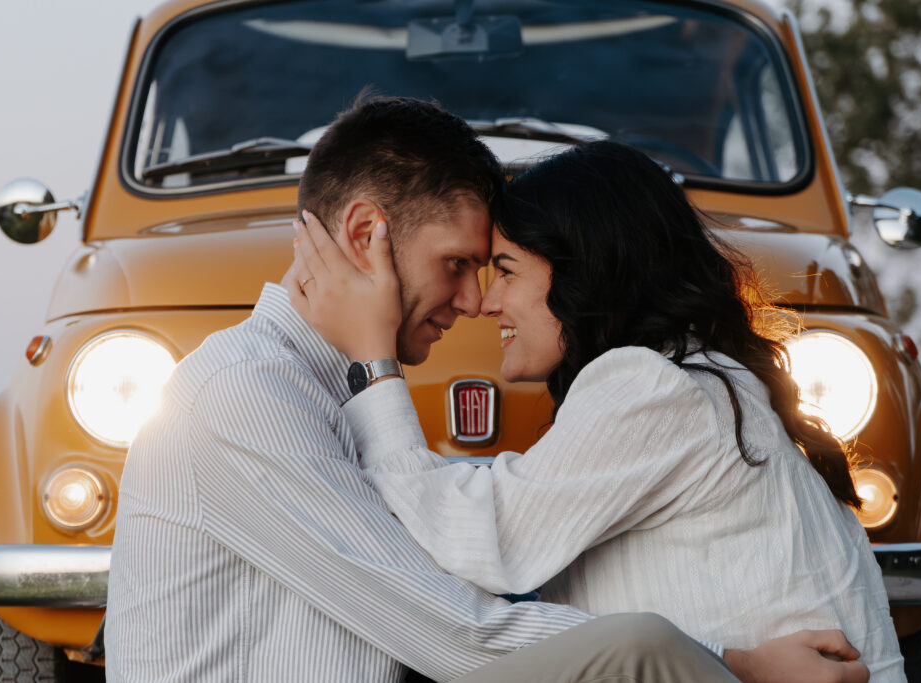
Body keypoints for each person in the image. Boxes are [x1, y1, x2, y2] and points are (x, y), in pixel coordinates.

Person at [106, 96, 868, 683]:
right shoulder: (243, 394)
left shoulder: (321, 398)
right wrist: (729, 662)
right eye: (458, 265)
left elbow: (472, 547)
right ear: (366, 236)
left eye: (491, 270)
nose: (475, 302)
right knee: (642, 646)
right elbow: (456, 632)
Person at [288, 138, 905, 680]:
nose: (486, 302)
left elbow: (478, 538)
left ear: (583, 272)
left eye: (505, 271)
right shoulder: (696, 379)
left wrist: (372, 359)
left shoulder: (654, 385)